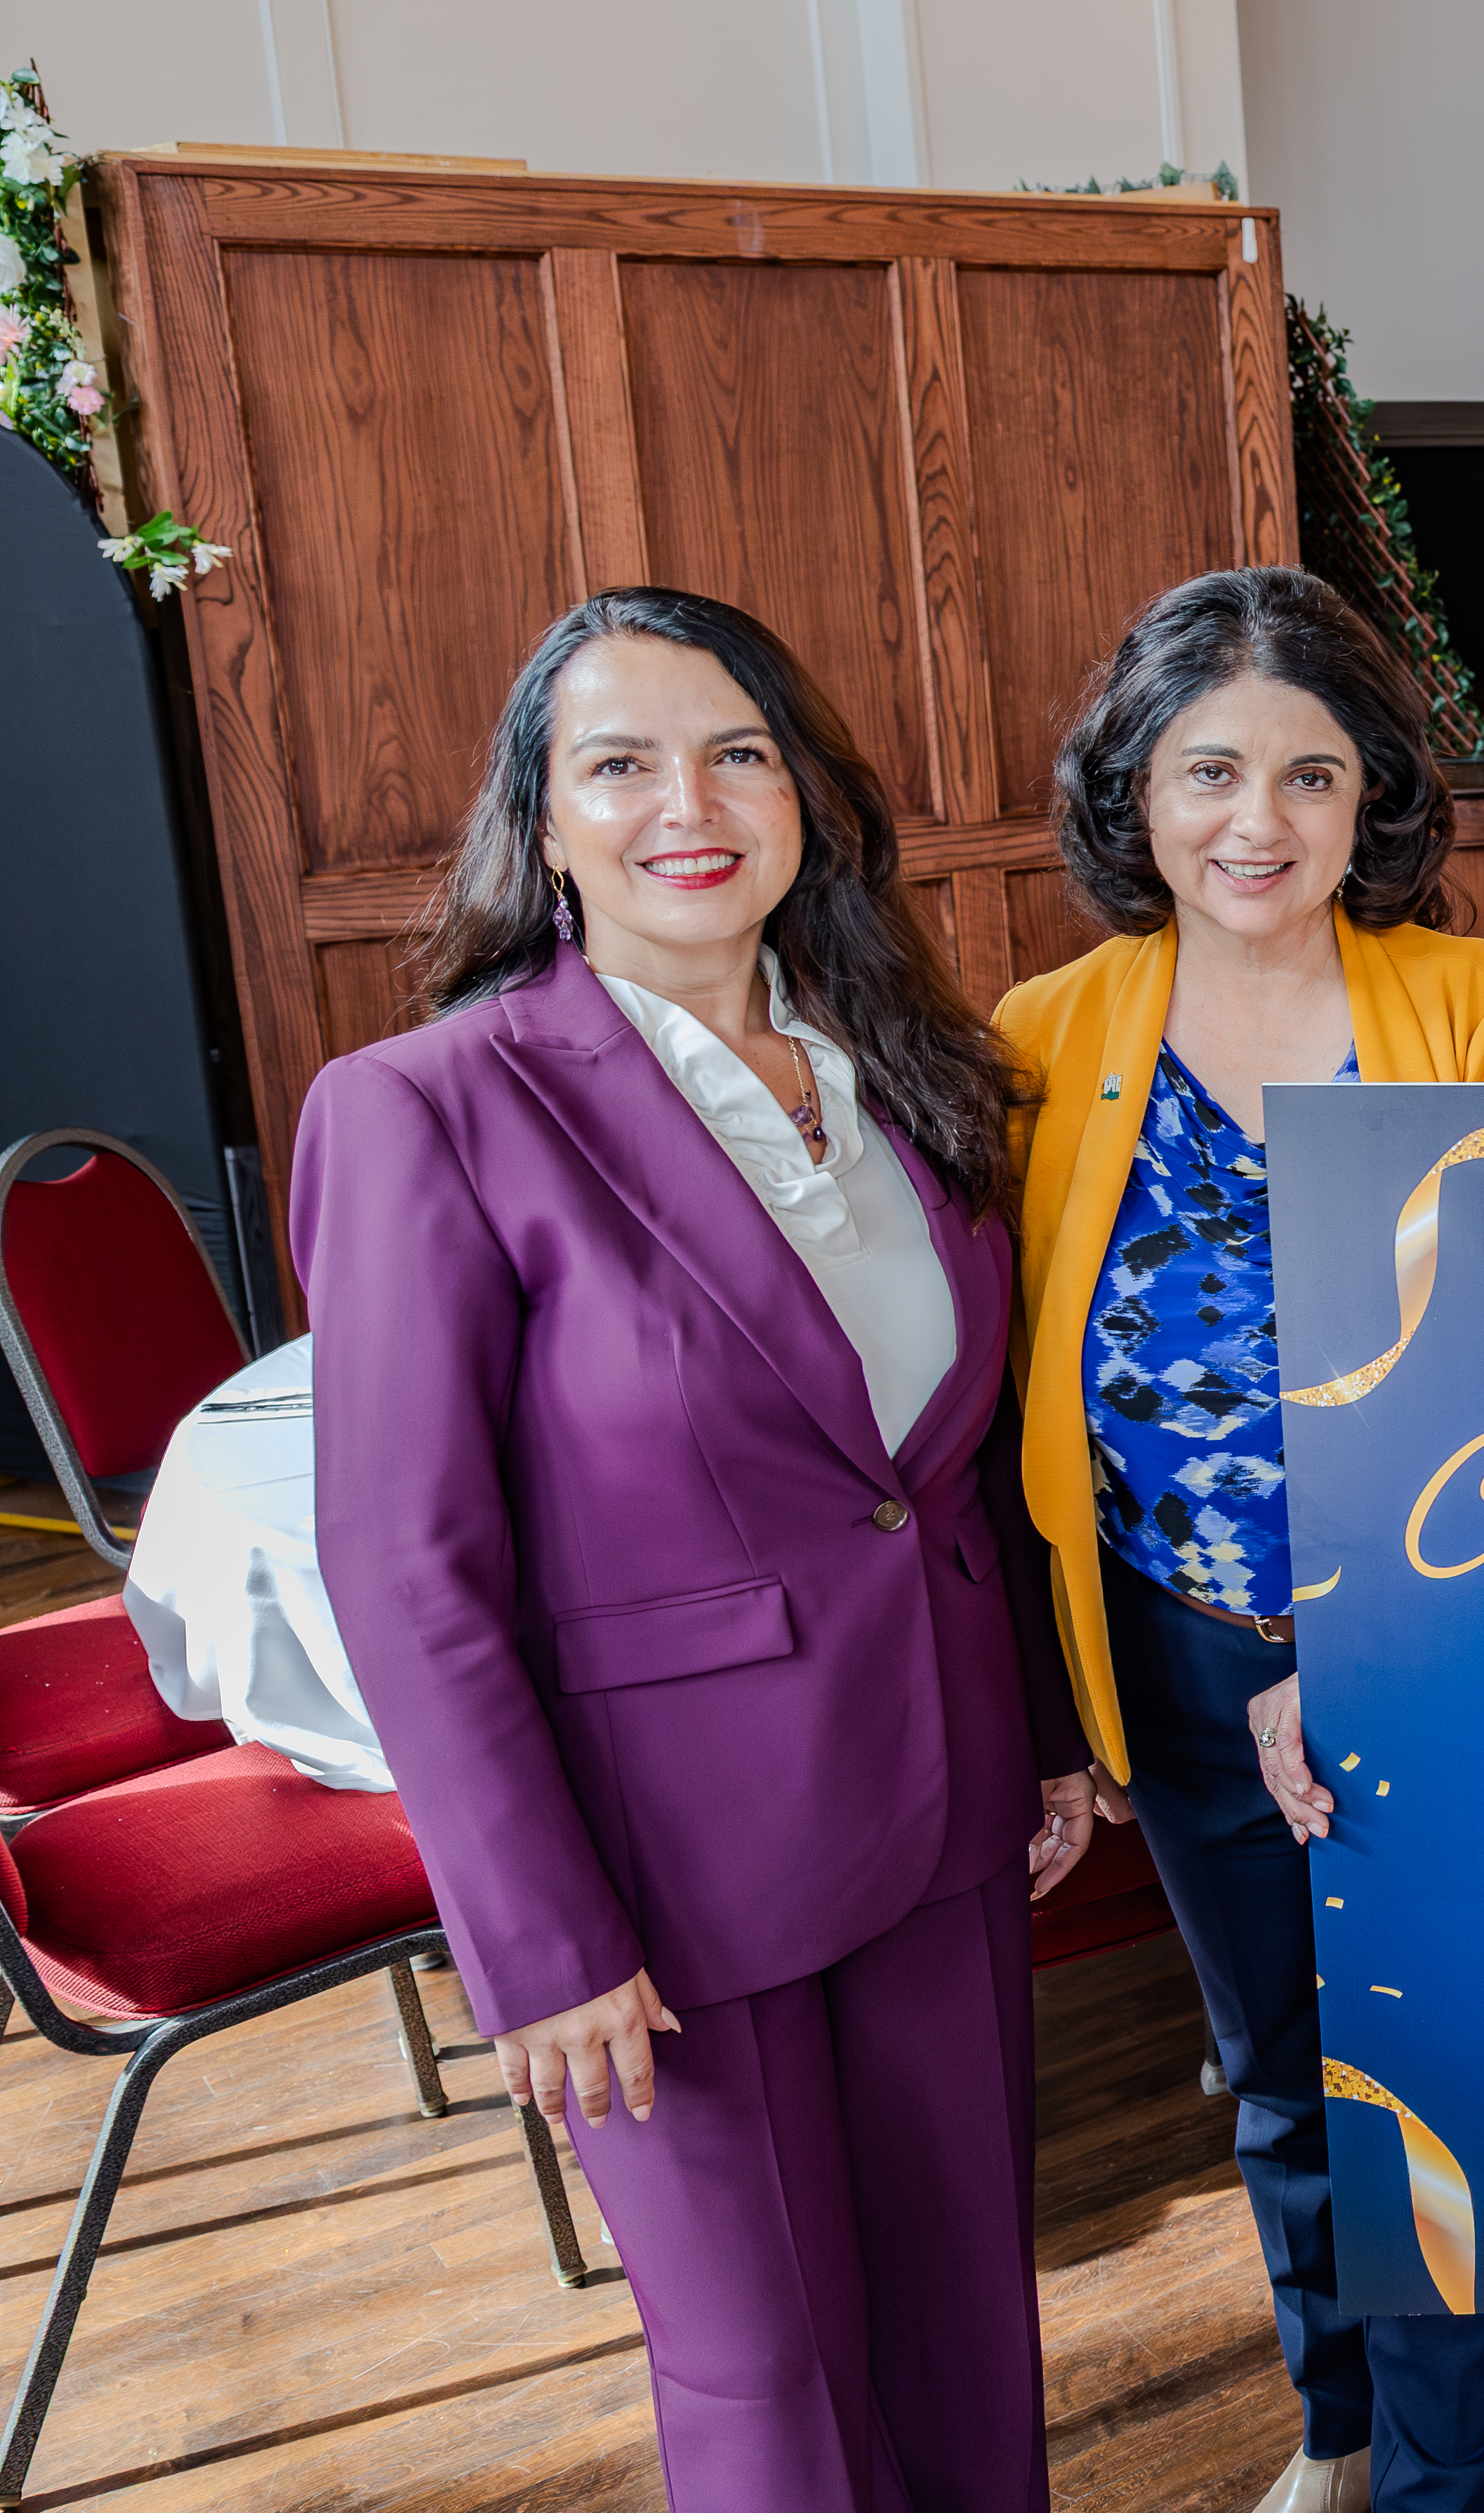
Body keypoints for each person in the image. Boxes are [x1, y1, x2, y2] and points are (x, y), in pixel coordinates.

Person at [293, 588, 1094, 2512]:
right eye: (621, 762)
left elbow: (958, 1467)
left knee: (968, 2324)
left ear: (807, 788)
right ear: (542, 821)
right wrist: (542, 1942)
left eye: (738, 749)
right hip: (662, 1874)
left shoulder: (918, 1067)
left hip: (952, 1802)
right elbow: (413, 1569)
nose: (691, 801)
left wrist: (1050, 1726)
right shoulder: (429, 1111)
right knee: (767, 2381)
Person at [994, 568, 1484, 2513]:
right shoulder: (1038, 1039)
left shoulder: (1473, 1003)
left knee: (1437, 2083)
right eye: (1211, 770)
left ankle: (1441, 2484)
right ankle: (1337, 2425)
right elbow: (1009, 1399)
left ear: (1372, 800)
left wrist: (1378, 1640)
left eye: (1312, 777)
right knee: (1272, 2078)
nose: (1260, 822)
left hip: (1430, 1643)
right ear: (1136, 794)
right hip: (1170, 1647)